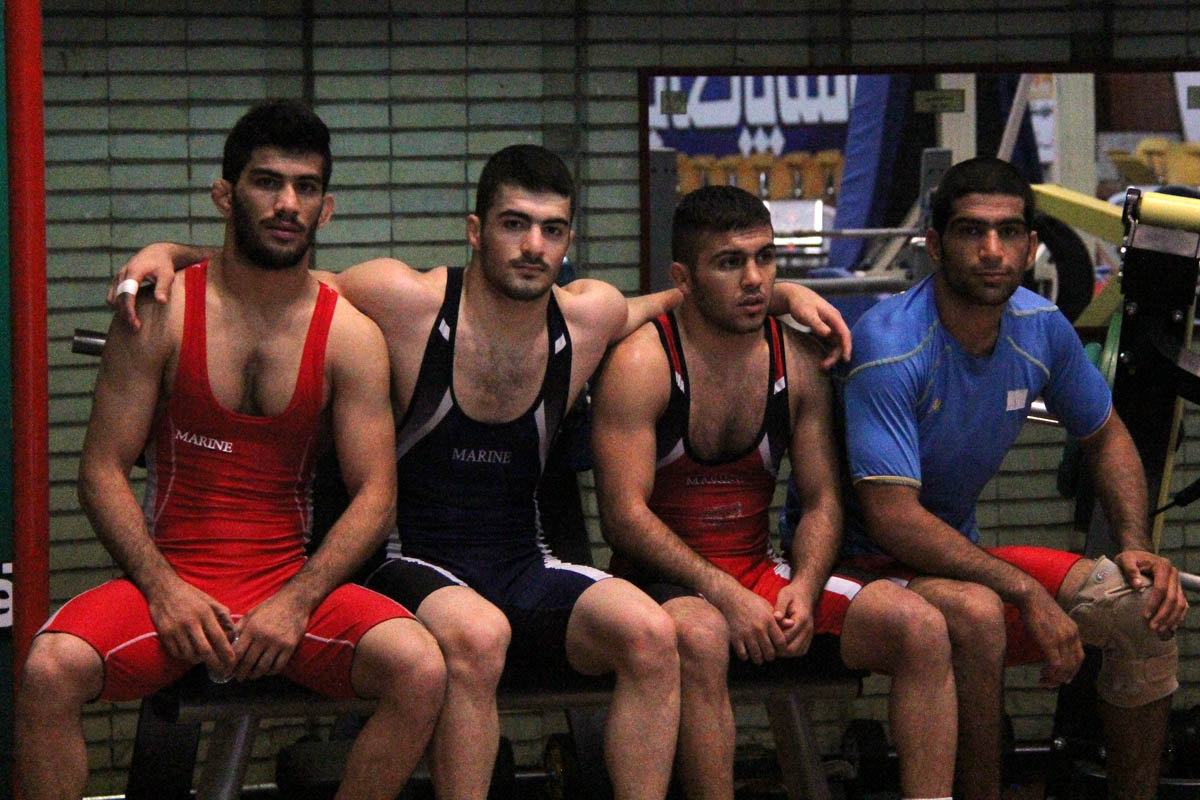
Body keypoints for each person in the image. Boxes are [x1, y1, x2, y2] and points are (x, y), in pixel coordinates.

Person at [108, 143, 853, 800]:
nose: (533, 246)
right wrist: (172, 254)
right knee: (478, 634)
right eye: (513, 224)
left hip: (521, 560)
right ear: (475, 230)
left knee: (653, 635)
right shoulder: (407, 301)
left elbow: (692, 295)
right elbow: (276, 272)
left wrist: (783, 294)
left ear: (569, 241)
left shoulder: (587, 316)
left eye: (552, 230)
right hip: (408, 558)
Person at [15, 101, 446, 800]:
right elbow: (100, 470)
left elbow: (377, 496)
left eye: (306, 187)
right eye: (267, 182)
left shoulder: (350, 336)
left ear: (327, 208)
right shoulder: (159, 312)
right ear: (225, 194)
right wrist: (163, 590)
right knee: (47, 671)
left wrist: (298, 601)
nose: (287, 203)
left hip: (286, 587)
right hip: (171, 585)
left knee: (422, 669)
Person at [837, 156, 1188, 800]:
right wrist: (1024, 591)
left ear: (1030, 247)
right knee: (978, 614)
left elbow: (1107, 436)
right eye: (971, 231)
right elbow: (892, 518)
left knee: (1142, 609)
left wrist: (1134, 543)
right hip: (861, 569)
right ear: (935, 245)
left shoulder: (1040, 327)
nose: (992, 250)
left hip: (958, 561)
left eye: (1008, 233)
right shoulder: (892, 344)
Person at [590, 185, 957, 800]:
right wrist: (727, 596)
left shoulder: (798, 361)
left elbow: (821, 501)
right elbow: (623, 518)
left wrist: (805, 588)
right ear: (683, 278)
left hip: (758, 572)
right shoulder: (643, 362)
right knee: (701, 636)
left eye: (765, 258)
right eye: (730, 263)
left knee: (919, 627)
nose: (755, 280)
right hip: (661, 582)